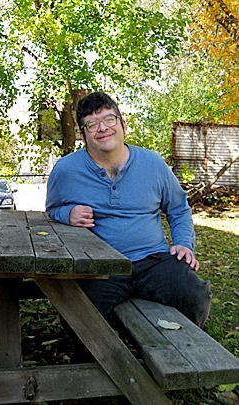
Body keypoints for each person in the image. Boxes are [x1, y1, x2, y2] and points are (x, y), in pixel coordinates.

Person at [46, 91, 211, 327]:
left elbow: (179, 209)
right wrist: (68, 213)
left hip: (153, 260)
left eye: (109, 119)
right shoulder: (66, 170)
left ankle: (186, 354)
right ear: (83, 134)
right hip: (100, 265)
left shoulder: (153, 163)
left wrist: (184, 243)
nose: (102, 128)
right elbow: (52, 209)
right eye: (91, 124)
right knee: (78, 318)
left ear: (123, 124)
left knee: (195, 296)